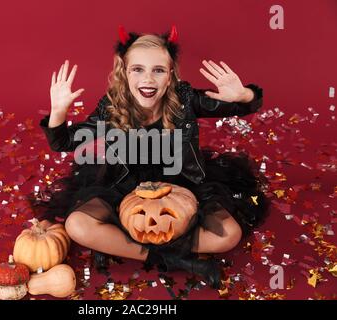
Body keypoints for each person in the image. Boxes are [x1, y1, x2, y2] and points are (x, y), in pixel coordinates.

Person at [29, 26, 270, 289]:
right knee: (77, 225)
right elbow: (63, 141)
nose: (148, 79)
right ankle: (180, 260)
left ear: (170, 77)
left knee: (229, 235)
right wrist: (58, 113)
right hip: (123, 187)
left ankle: (130, 246)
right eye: (138, 69)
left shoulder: (185, 98)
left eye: (158, 70)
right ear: (125, 73)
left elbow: (244, 105)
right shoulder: (112, 108)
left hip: (184, 184)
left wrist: (244, 95)